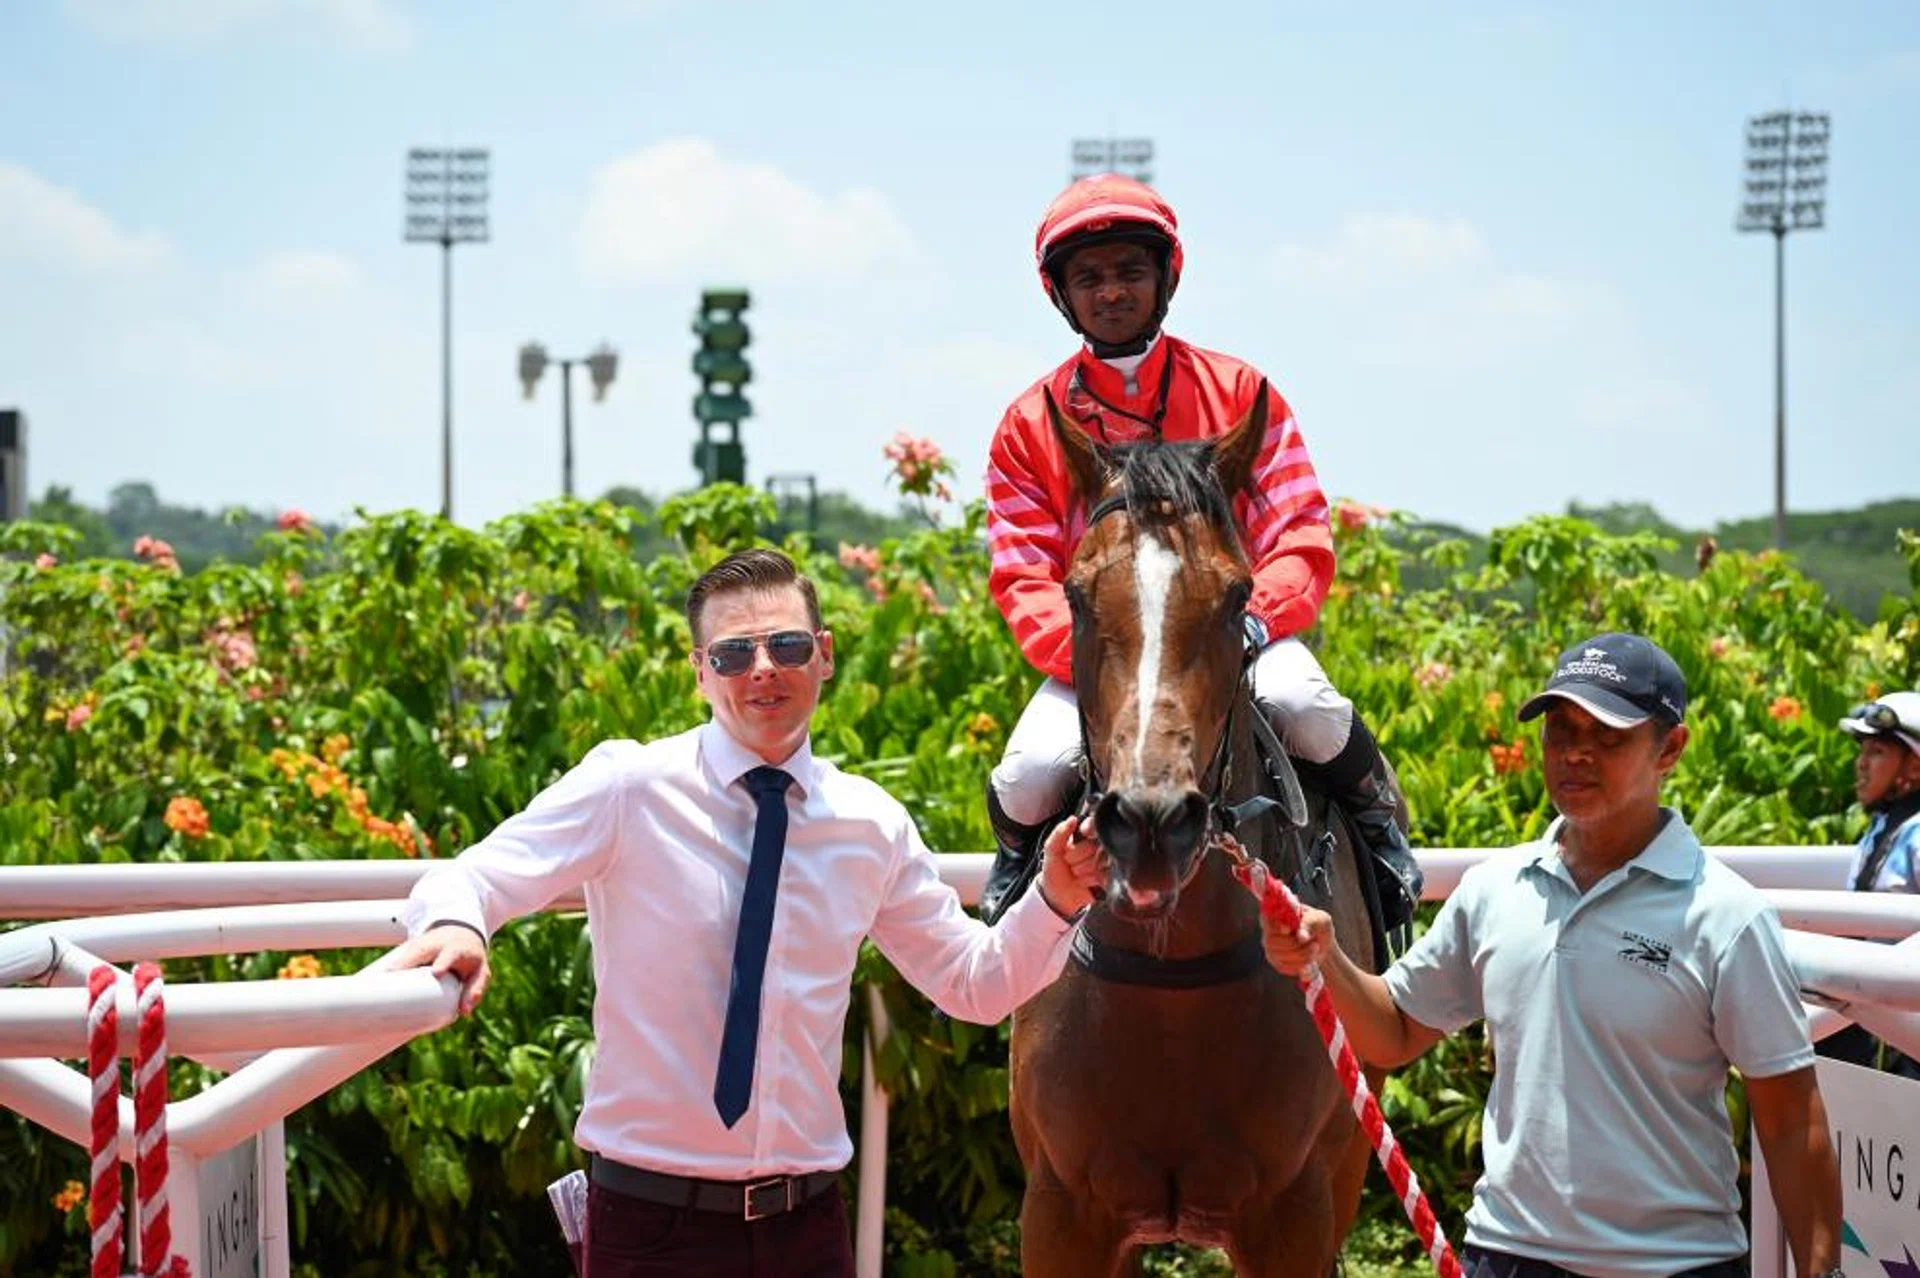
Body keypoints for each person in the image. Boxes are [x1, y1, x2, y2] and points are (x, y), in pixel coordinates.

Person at [392, 548, 1105, 1278]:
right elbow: (472, 876)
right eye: (734, 654)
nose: (763, 668)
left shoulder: (869, 823)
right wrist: (457, 926)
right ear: (700, 673)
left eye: (787, 645)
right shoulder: (629, 788)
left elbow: (973, 985)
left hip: (807, 1228)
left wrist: (1054, 897)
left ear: (824, 656)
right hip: (647, 1226)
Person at [1254, 632, 1843, 1278]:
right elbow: (1394, 1032)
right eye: (1560, 730)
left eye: (1608, 735)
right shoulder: (1495, 890)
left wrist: (1824, 1272)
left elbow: (1792, 1123)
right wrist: (1326, 957)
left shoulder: (1728, 917)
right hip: (1507, 1255)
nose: (1576, 753)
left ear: (1670, 748)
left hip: (1676, 1266)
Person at [978, 171, 1421, 934]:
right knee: (1027, 776)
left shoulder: (1242, 393)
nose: (1110, 292)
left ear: (1166, 278)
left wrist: (1246, 627)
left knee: (1306, 707)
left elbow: (1298, 534)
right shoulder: (1028, 424)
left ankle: (1382, 844)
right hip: (1105, 661)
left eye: (1129, 271)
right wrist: (1111, 652)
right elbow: (1024, 575)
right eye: (1089, 278)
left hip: (1236, 639)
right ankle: (1014, 890)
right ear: (1061, 295)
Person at [1816, 691, 1920, 1074]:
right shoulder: (1884, 826)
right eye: (1862, 752)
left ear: (1915, 765)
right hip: (1873, 1019)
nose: (1861, 764)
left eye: (1877, 752)